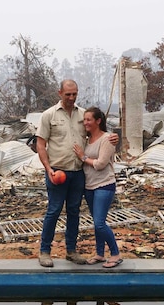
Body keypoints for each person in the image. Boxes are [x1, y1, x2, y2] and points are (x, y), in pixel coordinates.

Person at [35, 80, 117, 268]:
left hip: (78, 173)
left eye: (74, 94)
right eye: (68, 94)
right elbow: (40, 144)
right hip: (57, 171)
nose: (71, 98)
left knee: (74, 212)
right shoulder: (49, 115)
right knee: (54, 210)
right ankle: (45, 251)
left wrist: (112, 137)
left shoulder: (83, 115)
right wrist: (48, 169)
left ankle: (71, 250)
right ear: (60, 93)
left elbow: (96, 132)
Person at [73, 107, 122, 268]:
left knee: (100, 223)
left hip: (104, 184)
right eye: (84, 120)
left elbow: (101, 164)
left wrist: (83, 157)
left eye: (89, 120)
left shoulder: (107, 139)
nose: (85, 123)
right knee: (96, 222)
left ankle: (115, 253)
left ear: (98, 121)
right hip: (90, 186)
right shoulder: (87, 140)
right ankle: (100, 254)